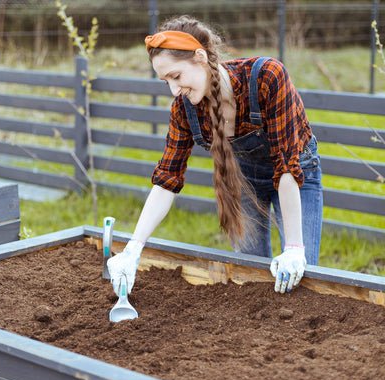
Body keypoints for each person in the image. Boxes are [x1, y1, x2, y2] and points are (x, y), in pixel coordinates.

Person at [107, 15, 323, 295]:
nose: (175, 90)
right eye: (166, 82)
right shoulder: (185, 110)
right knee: (251, 281)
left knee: (300, 278)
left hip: (295, 176)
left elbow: (286, 168)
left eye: (176, 76)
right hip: (242, 180)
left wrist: (294, 248)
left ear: (199, 57)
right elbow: (166, 181)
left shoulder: (267, 77)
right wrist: (133, 250)